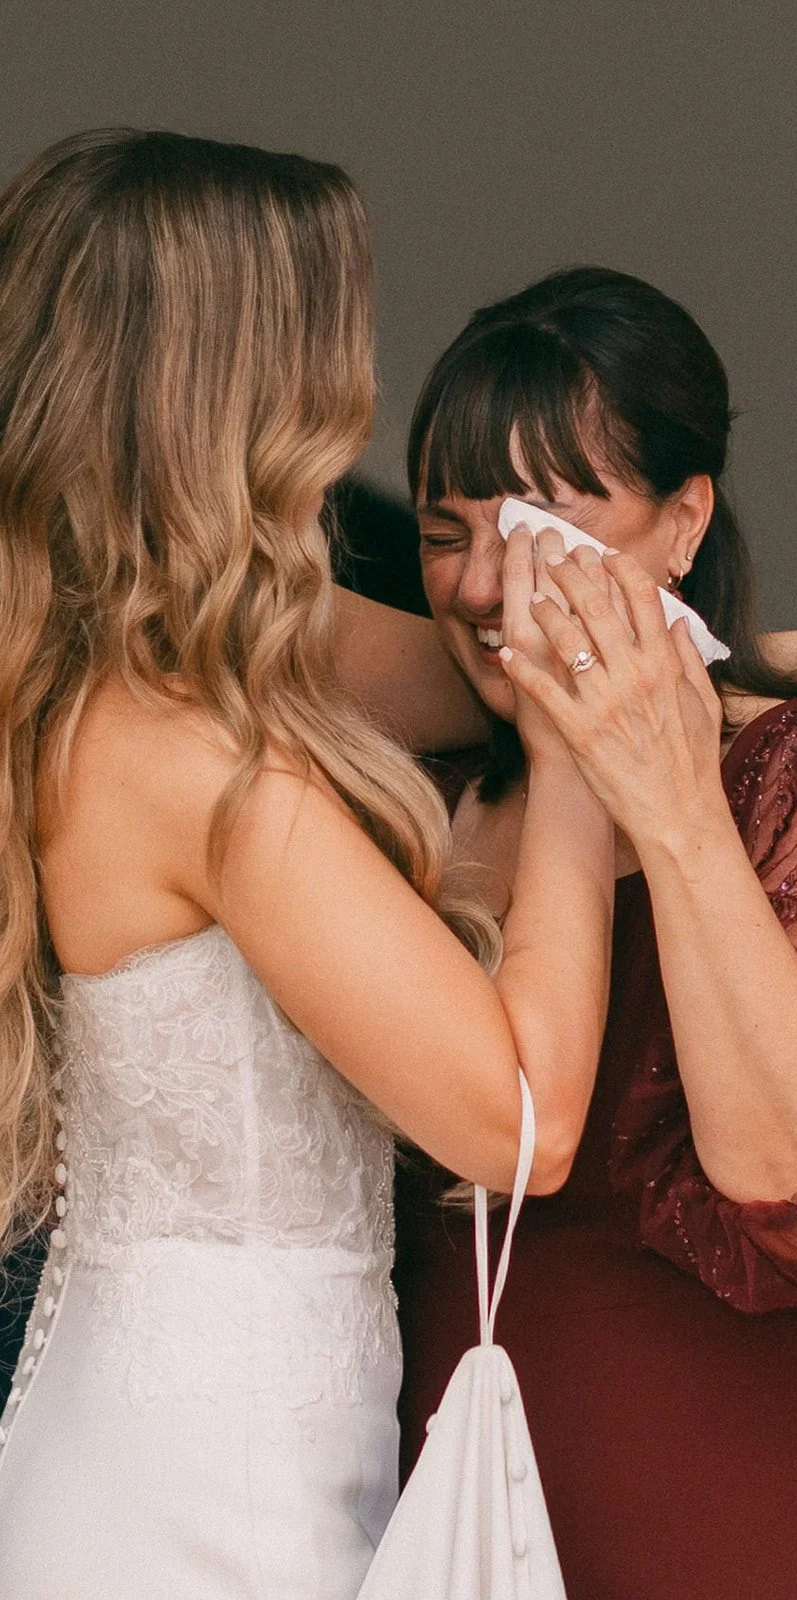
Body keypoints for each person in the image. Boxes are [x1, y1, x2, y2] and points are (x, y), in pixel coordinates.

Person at [0, 129, 622, 1598]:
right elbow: (518, 1123)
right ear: (238, 385)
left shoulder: (163, 666)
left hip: (232, 1441)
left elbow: (488, 673)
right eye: (327, 339)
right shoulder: (189, 757)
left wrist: (789, 653)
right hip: (194, 1498)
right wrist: (597, 776)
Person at [394, 267, 797, 1600]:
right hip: (467, 1502)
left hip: (767, 1499)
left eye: (542, 523)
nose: (486, 583)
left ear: (682, 518)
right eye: (443, 528)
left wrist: (668, 803)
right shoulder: (412, 791)